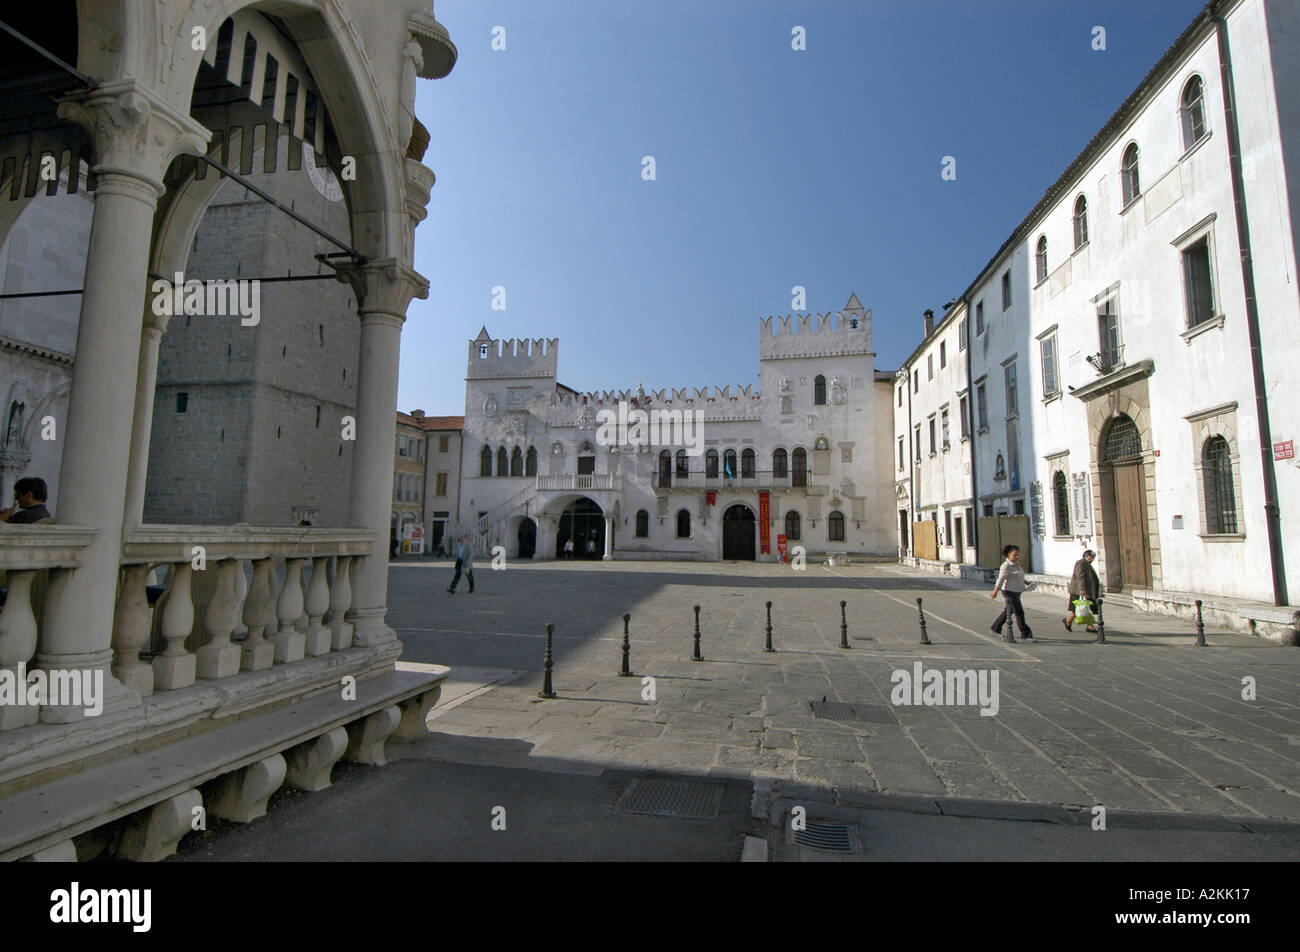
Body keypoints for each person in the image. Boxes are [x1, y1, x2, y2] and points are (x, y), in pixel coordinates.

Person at [990, 543, 1033, 643]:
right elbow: (1001, 579)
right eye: (1015, 555)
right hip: (1009, 592)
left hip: (1017, 591)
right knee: (1019, 613)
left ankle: (995, 628)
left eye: (1018, 554)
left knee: (1008, 611)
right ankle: (1026, 635)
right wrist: (995, 591)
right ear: (1008, 554)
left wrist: (1026, 582)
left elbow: (1018, 576)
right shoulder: (1006, 566)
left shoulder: (1016, 565)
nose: (1017, 556)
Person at [1064, 549, 1100, 633]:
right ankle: (1069, 621)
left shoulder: (1087, 564)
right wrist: (1082, 589)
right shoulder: (1081, 563)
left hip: (1085, 591)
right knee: (1080, 607)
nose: (1093, 559)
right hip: (1079, 590)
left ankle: (1089, 625)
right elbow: (1080, 576)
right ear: (1087, 556)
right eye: (1091, 557)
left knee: (1084, 607)